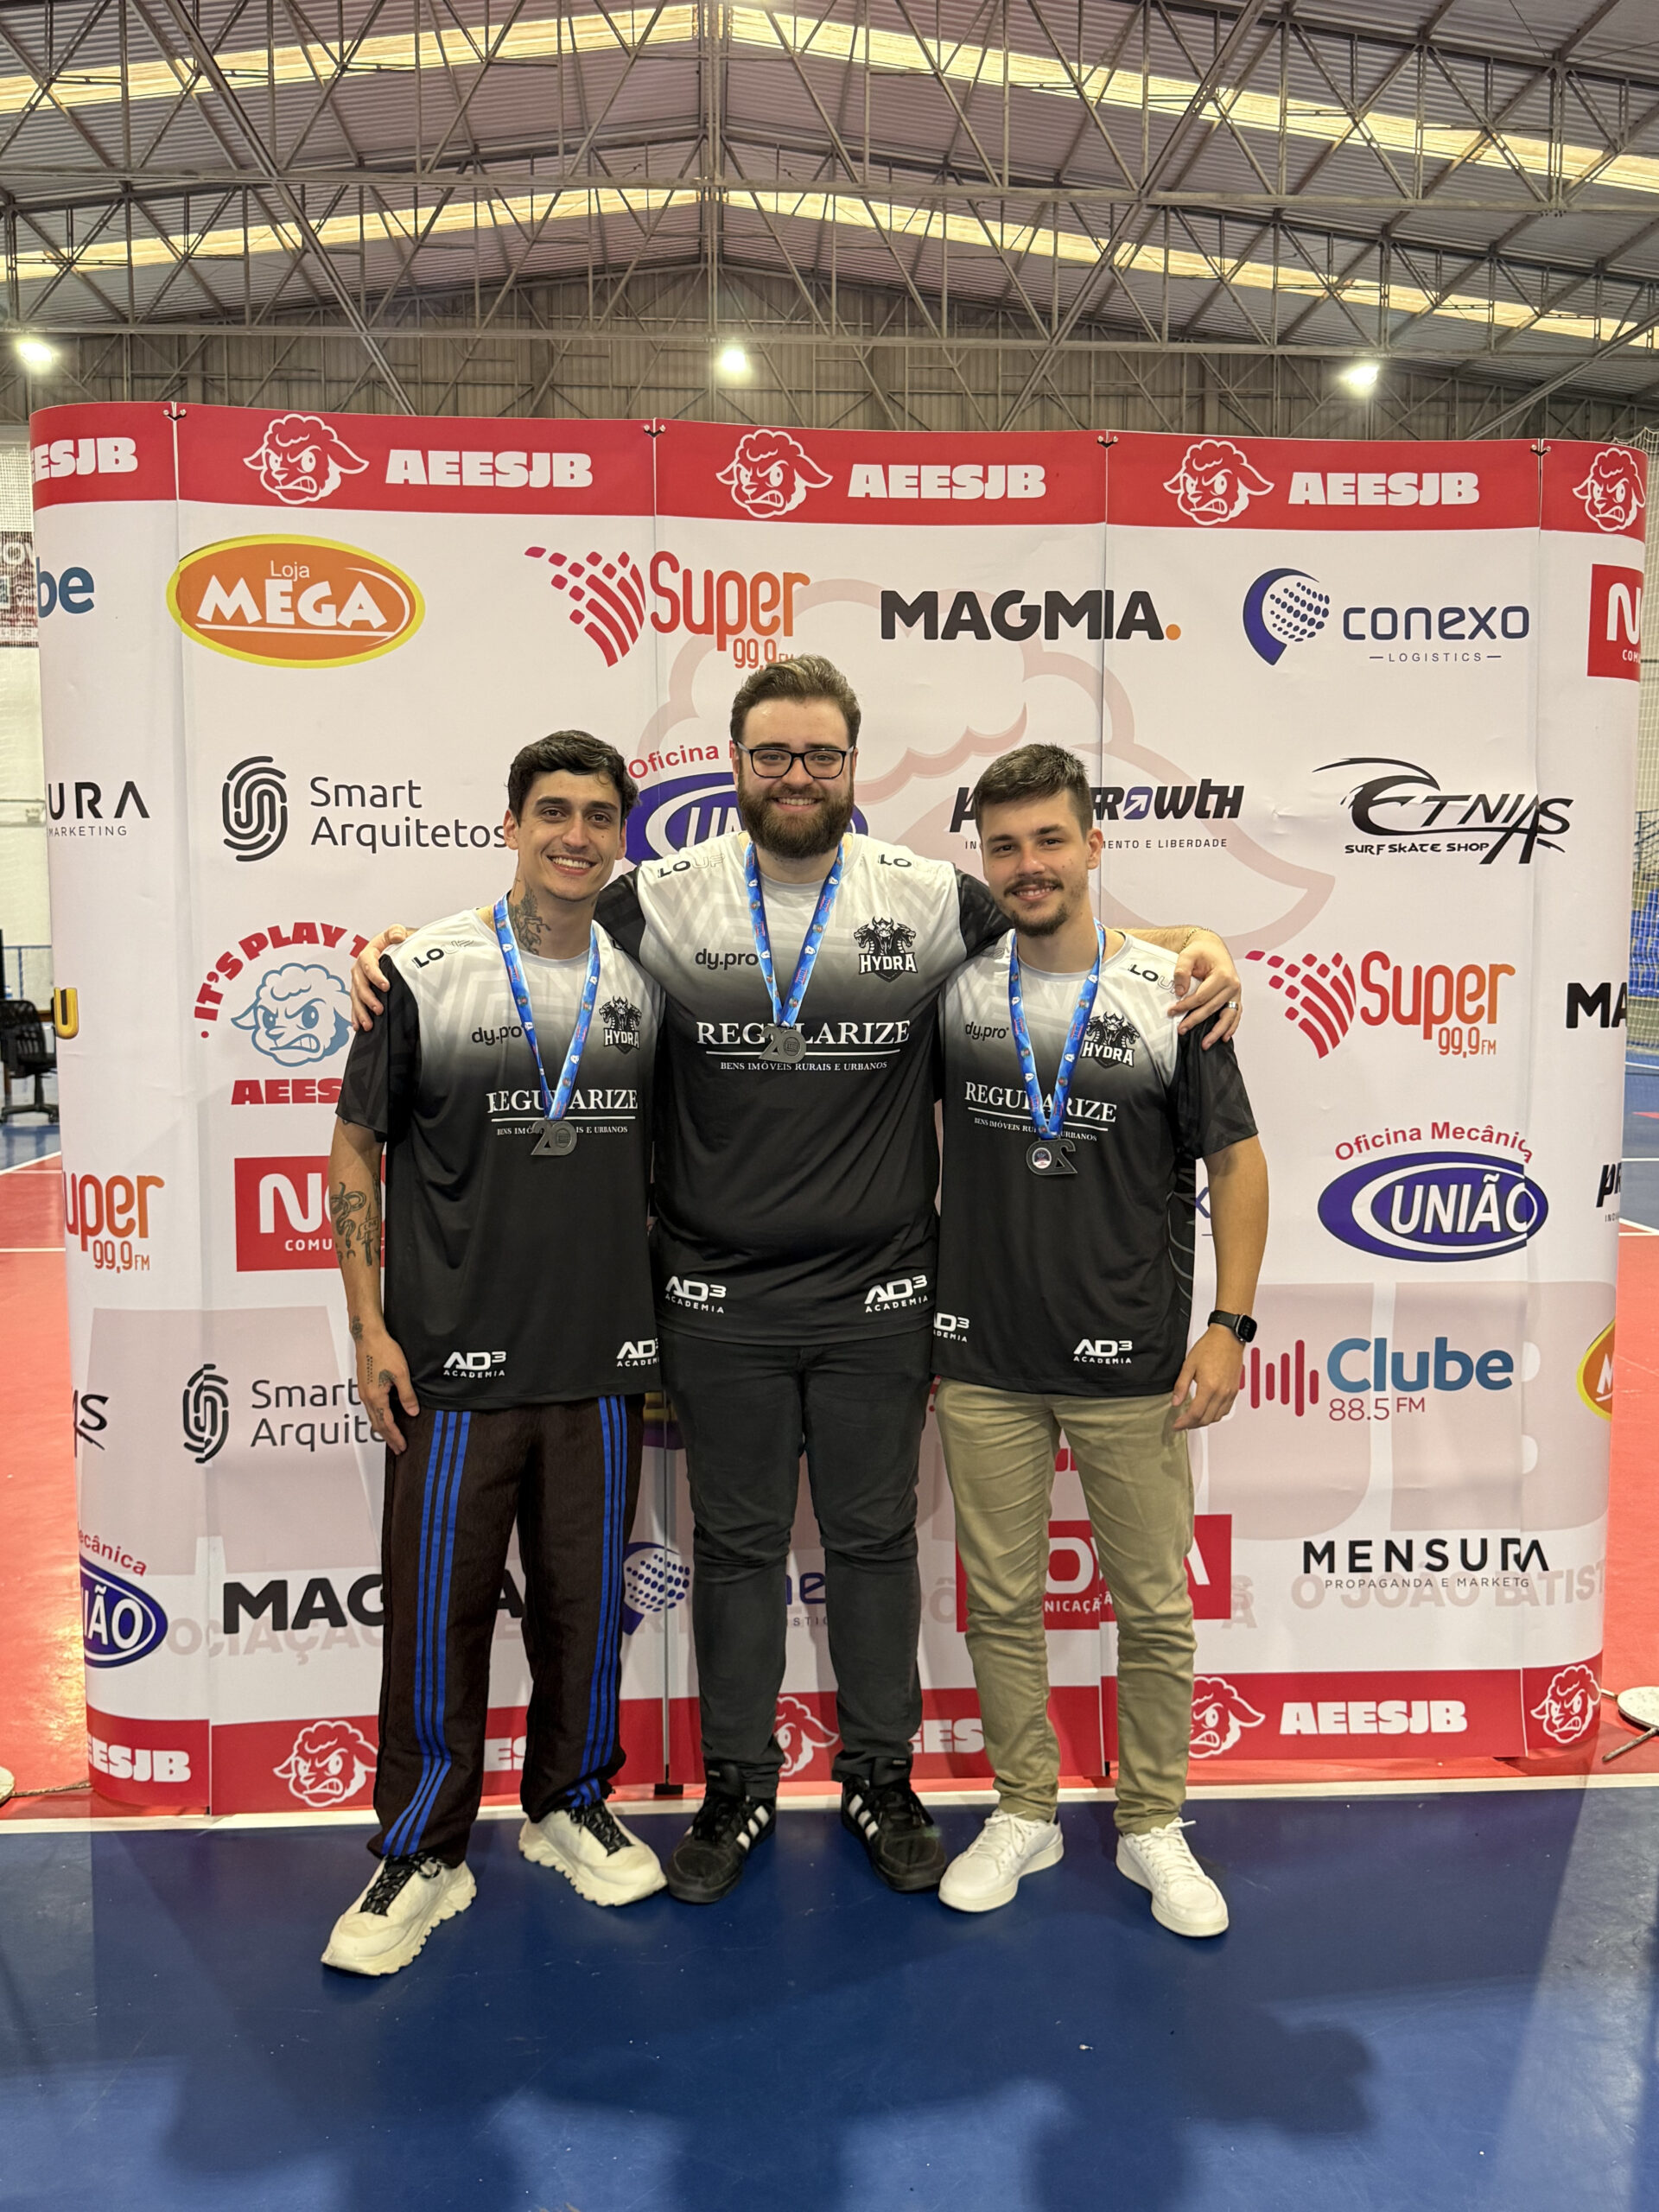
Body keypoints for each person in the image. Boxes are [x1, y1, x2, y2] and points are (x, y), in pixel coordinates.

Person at [351, 658, 1243, 1908]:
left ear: (852, 766)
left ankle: (880, 1776)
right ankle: (737, 1783)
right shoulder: (658, 899)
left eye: (821, 755)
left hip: (882, 1296)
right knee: (734, 1551)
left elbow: (1063, 931)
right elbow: (527, 930)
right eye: (772, 754)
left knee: (874, 1546)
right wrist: (397, 953)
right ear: (736, 765)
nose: (797, 776)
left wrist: (1193, 946)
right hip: (715, 1299)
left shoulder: (926, 898)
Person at [321, 731, 667, 1978]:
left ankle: (569, 1803)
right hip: (453, 1365)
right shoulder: (420, 971)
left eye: (598, 816)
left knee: (585, 1610)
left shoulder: (651, 977)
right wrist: (369, 1326)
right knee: (437, 1618)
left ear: (621, 835)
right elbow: (355, 1147)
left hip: (601, 1361)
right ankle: (423, 1849)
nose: (576, 835)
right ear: (511, 824)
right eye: (552, 812)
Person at [930, 743, 1267, 1933]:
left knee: (1154, 1607)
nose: (1029, 865)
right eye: (1005, 846)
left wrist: (1229, 1324)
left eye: (1050, 840)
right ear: (983, 861)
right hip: (982, 1353)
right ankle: (1025, 1809)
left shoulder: (1173, 991)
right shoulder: (952, 988)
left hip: (1133, 1357)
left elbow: (1236, 1166)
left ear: (1092, 845)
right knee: (1001, 1602)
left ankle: (1153, 1823)